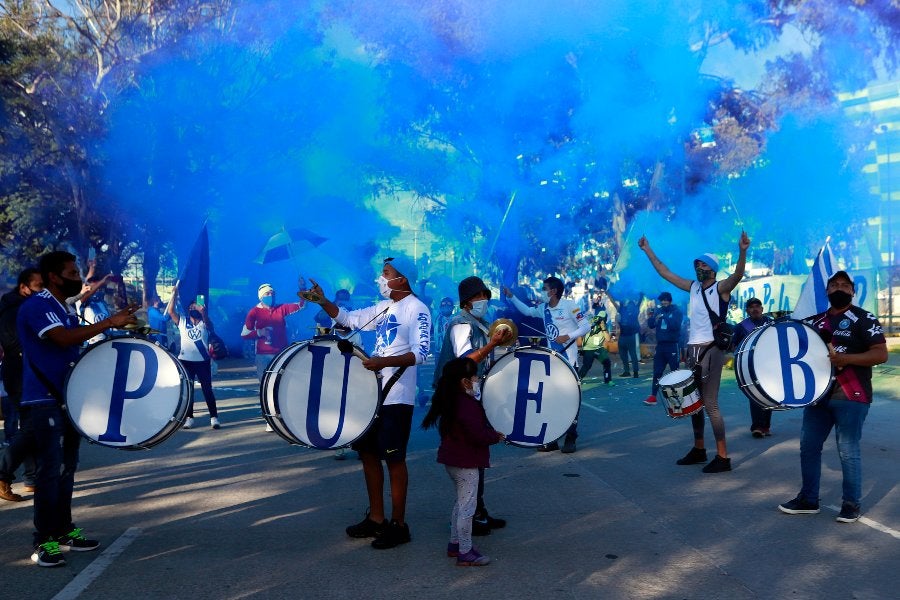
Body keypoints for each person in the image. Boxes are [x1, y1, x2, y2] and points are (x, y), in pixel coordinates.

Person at [16, 250, 137, 567]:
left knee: (66, 469)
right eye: (72, 273)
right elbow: (62, 339)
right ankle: (44, 541)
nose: (78, 278)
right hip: (44, 400)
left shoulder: (62, 308)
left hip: (67, 398)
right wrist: (110, 322)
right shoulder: (38, 306)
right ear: (54, 276)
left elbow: (75, 344)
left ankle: (64, 529)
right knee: (49, 472)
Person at [306, 256, 430, 550]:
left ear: (403, 278)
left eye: (386, 273)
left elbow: (421, 352)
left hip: (397, 396)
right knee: (368, 454)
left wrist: (382, 362)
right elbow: (348, 319)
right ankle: (376, 519)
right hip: (373, 395)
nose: (380, 278)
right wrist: (323, 301)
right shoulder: (383, 307)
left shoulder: (418, 309)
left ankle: (399, 525)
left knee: (394, 459)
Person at [778, 271, 887, 523]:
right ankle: (808, 499)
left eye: (845, 286)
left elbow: (880, 354)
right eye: (834, 285)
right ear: (826, 291)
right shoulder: (814, 322)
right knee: (809, 447)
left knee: (848, 451)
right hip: (818, 395)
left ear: (852, 291)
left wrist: (845, 359)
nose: (839, 288)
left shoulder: (864, 318)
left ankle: (851, 504)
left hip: (851, 393)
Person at [638, 231, 750, 474]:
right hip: (693, 349)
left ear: (712, 268)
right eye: (696, 264)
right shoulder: (693, 288)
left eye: (702, 264)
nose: (698, 267)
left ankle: (723, 456)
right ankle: (699, 448)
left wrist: (742, 251)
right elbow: (665, 273)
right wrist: (648, 250)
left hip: (711, 349)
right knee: (694, 401)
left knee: (710, 403)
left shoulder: (721, 288)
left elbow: (738, 274)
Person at [432, 276, 512, 535]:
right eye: (478, 297)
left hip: (471, 395)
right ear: (466, 302)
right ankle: (468, 519)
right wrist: (492, 344)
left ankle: (478, 512)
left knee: (477, 458)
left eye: (485, 296)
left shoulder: (479, 323)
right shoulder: (460, 324)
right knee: (468, 461)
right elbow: (465, 359)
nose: (483, 301)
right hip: (458, 399)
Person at [422, 357, 504, 566]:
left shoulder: (452, 400)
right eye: (475, 376)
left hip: (453, 460)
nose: (477, 380)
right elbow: (477, 434)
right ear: (465, 382)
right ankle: (465, 551)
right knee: (468, 508)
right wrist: (496, 436)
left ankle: (454, 543)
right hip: (466, 462)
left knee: (460, 503)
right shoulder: (466, 404)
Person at [503, 276, 590, 453]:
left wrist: (569, 336)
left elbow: (586, 326)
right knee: (550, 401)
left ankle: (571, 437)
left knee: (570, 400)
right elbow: (527, 311)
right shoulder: (543, 309)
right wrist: (511, 296)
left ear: (554, 291)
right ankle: (552, 438)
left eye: (545, 288)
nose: (542, 291)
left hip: (569, 360)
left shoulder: (569, 305)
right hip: (553, 361)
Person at [0, 268, 42, 502]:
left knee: (30, 426)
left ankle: (32, 479)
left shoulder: (22, 307)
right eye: (38, 287)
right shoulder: (13, 311)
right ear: (24, 288)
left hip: (26, 374)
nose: (43, 292)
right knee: (29, 427)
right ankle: (3, 475)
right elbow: (20, 344)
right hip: (20, 375)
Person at [241, 282, 305, 431]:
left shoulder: (281, 308)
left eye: (273, 293)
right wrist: (259, 333)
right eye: (268, 294)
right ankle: (269, 419)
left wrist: (302, 289)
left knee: (282, 384)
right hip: (263, 356)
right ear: (261, 296)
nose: (271, 296)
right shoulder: (253, 313)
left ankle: (284, 415)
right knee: (266, 387)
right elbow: (244, 335)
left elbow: (301, 306)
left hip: (281, 353)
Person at [167, 283, 220, 430]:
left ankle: (214, 417)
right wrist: (174, 294)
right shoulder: (183, 321)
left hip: (202, 361)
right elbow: (171, 311)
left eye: (196, 306)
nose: (194, 309)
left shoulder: (205, 323)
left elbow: (210, 326)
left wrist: (203, 313)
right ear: (188, 310)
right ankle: (189, 417)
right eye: (192, 307)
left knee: (207, 390)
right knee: (189, 391)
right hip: (186, 362)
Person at [731, 297, 773, 436]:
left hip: (769, 364)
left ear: (762, 309)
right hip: (750, 367)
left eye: (757, 306)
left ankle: (766, 426)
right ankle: (757, 426)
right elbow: (734, 346)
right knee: (754, 394)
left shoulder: (771, 323)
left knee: (769, 394)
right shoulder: (741, 327)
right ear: (747, 310)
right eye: (751, 307)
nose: (755, 309)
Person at [643, 292, 683, 406]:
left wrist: (664, 317)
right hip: (660, 346)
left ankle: (678, 397)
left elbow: (676, 326)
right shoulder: (658, 311)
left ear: (670, 301)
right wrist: (651, 316)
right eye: (662, 300)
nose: (664, 302)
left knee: (674, 372)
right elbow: (651, 325)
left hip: (672, 345)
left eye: (666, 300)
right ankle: (653, 396)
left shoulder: (676, 312)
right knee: (657, 372)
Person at [578, 309, 612, 385]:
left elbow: (608, 339)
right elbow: (582, 329)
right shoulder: (591, 322)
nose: (601, 320)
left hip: (598, 349)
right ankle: (578, 379)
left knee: (607, 362)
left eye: (602, 319)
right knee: (587, 365)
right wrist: (592, 322)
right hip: (588, 349)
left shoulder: (605, 327)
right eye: (600, 318)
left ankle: (608, 380)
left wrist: (603, 327)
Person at [616, 297, 641, 378]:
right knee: (623, 355)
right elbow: (621, 302)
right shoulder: (623, 311)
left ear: (634, 307)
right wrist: (621, 294)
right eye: (628, 305)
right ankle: (627, 371)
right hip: (622, 336)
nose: (629, 307)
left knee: (633, 354)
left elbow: (639, 303)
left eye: (631, 306)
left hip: (630, 336)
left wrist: (641, 295)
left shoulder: (635, 313)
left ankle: (635, 372)